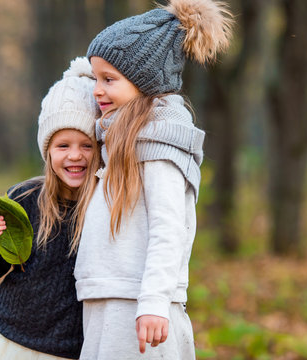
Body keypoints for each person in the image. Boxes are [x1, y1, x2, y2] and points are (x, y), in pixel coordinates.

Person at [73, 0, 234, 359]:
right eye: (95, 78)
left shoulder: (159, 143)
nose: (97, 90)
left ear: (144, 79)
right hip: (109, 300)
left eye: (109, 80)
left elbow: (168, 228)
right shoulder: (116, 139)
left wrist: (154, 302)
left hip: (139, 307)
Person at [0, 57, 101, 360]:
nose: (75, 155)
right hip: (11, 338)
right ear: (47, 150)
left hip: (72, 347)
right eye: (63, 146)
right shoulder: (24, 197)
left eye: (87, 145)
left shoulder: (105, 204)